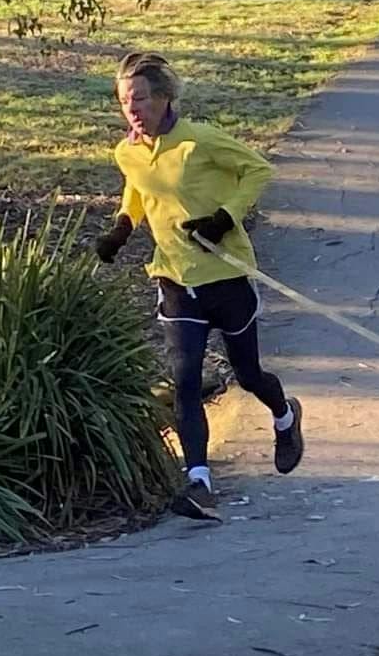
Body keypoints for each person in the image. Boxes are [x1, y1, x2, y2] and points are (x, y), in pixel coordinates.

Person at [94, 51, 304, 521]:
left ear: (165, 97)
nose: (133, 109)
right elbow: (138, 189)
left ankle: (285, 416)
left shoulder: (200, 141)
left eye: (141, 99)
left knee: (248, 375)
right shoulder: (127, 151)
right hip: (175, 278)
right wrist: (122, 228)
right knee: (185, 381)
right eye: (125, 101)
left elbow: (258, 170)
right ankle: (198, 482)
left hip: (226, 278)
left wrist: (224, 218)